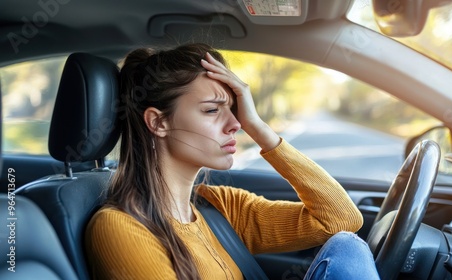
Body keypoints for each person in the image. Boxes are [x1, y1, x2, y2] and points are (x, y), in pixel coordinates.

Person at [85, 43, 380, 280]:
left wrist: (261, 130)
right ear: (158, 122)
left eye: (235, 108)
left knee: (347, 247)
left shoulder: (221, 207)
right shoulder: (120, 228)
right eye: (213, 110)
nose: (236, 124)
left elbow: (340, 220)